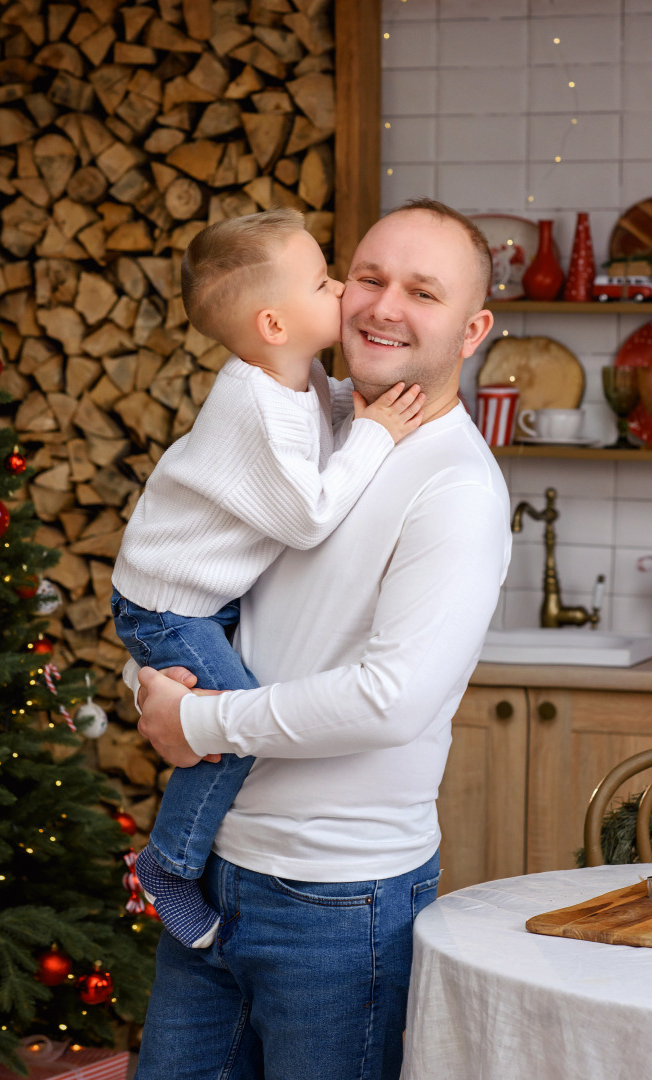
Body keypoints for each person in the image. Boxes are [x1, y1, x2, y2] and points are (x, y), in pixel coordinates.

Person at [130, 198, 513, 1080]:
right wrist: (150, 682)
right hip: (215, 872)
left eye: (423, 292)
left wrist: (202, 725)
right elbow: (189, 576)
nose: (382, 306)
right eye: (368, 278)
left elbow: (393, 699)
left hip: (338, 901)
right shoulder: (297, 418)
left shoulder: (456, 486)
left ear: (472, 328)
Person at [110, 208, 425, 949]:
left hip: (196, 599)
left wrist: (364, 410)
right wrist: (379, 433)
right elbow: (312, 512)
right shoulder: (250, 406)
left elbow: (326, 417)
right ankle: (167, 865)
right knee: (234, 727)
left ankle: (179, 857)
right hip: (169, 607)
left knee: (218, 720)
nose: (343, 287)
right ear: (275, 324)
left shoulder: (297, 375)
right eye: (324, 281)